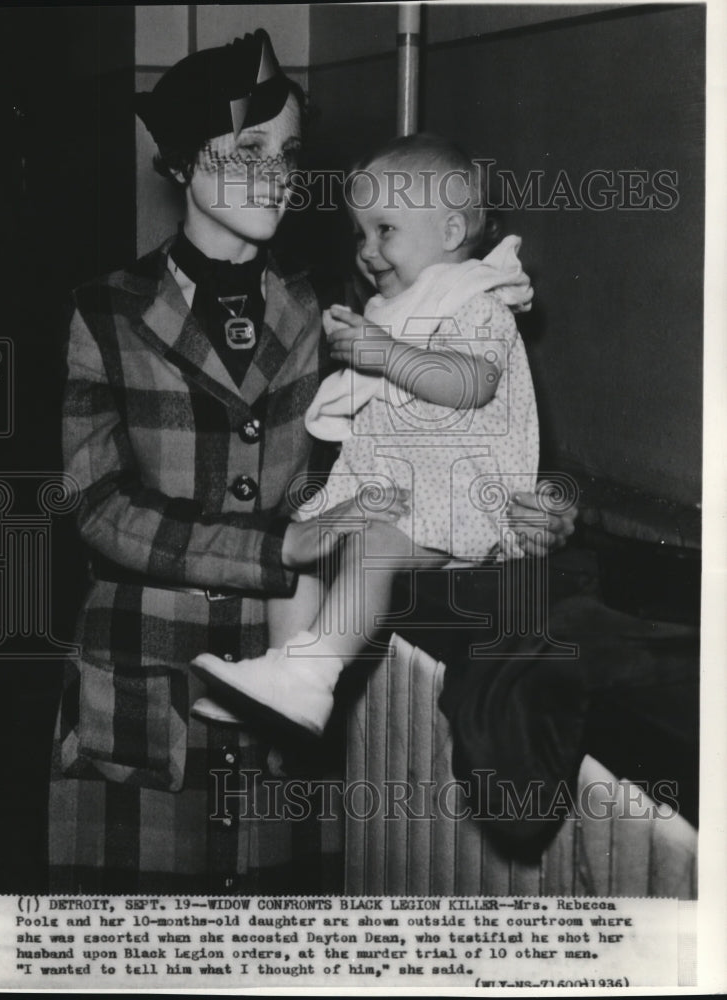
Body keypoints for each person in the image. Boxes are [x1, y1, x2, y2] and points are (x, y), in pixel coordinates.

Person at [49, 31, 575, 893]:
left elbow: (446, 430)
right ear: (181, 163)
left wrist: (532, 500)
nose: (278, 175)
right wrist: (275, 549)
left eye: (288, 153)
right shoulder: (105, 313)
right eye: (248, 149)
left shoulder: (348, 309)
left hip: (288, 675)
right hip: (149, 674)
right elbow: (97, 506)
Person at [192, 134, 541, 738]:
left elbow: (469, 384)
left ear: (452, 233)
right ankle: (285, 676)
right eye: (360, 234)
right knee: (299, 541)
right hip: (396, 489)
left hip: (459, 497)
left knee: (373, 546)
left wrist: (383, 352)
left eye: (385, 231)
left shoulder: (477, 305)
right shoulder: (399, 307)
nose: (368, 251)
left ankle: (314, 670)